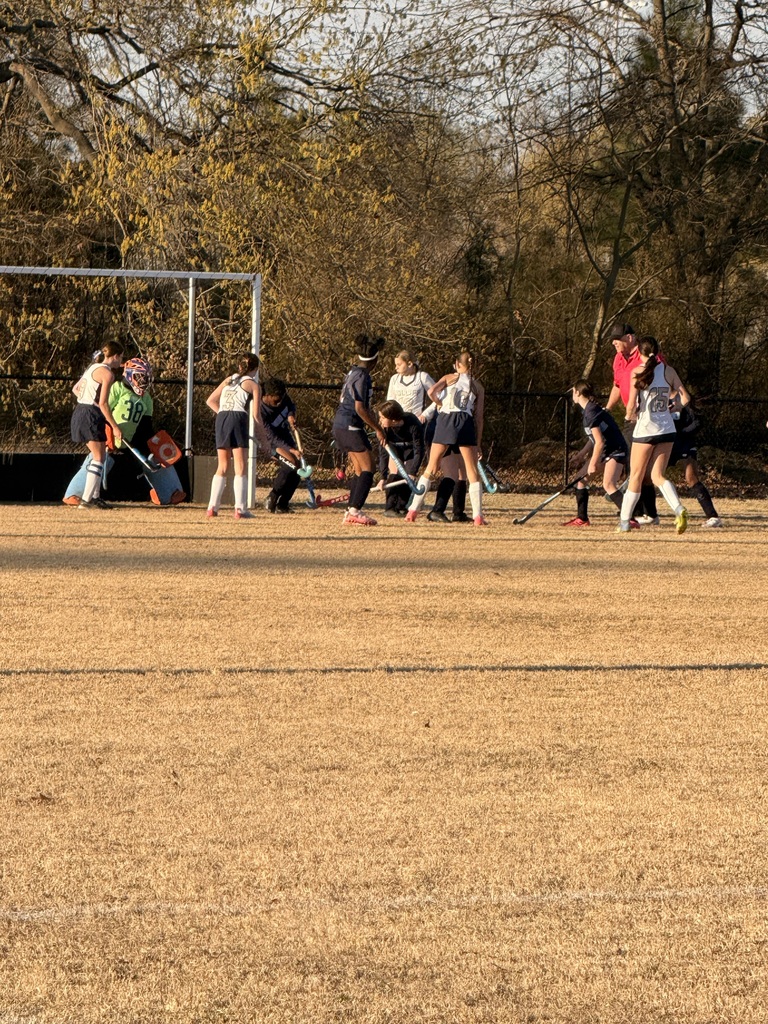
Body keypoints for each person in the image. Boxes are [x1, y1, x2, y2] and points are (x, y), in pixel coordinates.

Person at [617, 336, 691, 534]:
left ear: (639, 352)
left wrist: (629, 416)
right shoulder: (668, 371)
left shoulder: (637, 372)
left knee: (636, 476)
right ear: (657, 352)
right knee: (657, 476)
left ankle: (624, 522)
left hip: (645, 430)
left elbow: (631, 405)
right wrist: (674, 407)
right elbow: (685, 398)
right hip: (667, 430)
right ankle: (678, 508)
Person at [405, 350, 487, 526]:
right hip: (465, 422)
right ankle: (478, 517)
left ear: (457, 364)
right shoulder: (477, 386)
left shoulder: (449, 377)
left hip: (445, 421)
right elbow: (479, 418)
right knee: (472, 471)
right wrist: (478, 443)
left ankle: (412, 510)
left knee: (431, 468)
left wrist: (441, 404)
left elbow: (432, 392)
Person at [606, 322, 659, 524]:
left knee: (640, 467)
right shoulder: (618, 359)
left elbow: (662, 379)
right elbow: (617, 386)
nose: (614, 343)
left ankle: (641, 512)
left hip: (647, 417)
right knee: (634, 465)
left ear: (630, 338)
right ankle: (645, 512)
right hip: (631, 418)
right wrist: (607, 410)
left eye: (617, 339)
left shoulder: (647, 355)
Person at [205, 353, 269, 519]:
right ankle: (240, 509)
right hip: (237, 417)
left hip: (222, 418)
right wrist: (264, 440)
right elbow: (256, 416)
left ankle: (212, 507)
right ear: (255, 369)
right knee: (240, 466)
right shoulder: (254, 385)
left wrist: (223, 414)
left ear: (239, 367)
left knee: (223, 466)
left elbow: (210, 400)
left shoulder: (228, 380)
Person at [331, 334, 387, 526]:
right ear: (376, 359)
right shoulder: (363, 377)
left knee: (358, 469)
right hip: (350, 424)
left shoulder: (352, 372)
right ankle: (354, 510)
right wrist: (378, 429)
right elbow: (359, 408)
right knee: (368, 468)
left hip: (341, 424)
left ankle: (350, 510)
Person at [69, 341, 124, 509]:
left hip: (82, 410)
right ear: (115, 356)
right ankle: (86, 500)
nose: (121, 361)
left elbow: (75, 389)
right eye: (121, 357)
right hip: (90, 415)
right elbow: (103, 403)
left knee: (99, 457)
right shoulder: (108, 374)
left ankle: (94, 497)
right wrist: (115, 427)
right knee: (99, 457)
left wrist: (87, 399)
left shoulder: (92, 367)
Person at [565, 380, 628, 526]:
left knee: (608, 484)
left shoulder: (591, 411)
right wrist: (581, 454)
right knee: (581, 479)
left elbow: (599, 442)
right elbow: (594, 438)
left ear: (577, 392)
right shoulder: (588, 410)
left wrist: (593, 463)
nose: (572, 395)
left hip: (616, 450)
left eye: (573, 391)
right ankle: (582, 519)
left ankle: (630, 518)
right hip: (606, 451)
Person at [668, 399, 723, 528]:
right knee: (650, 476)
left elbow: (697, 422)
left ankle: (713, 516)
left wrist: (682, 433)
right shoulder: (658, 394)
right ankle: (645, 514)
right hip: (667, 443)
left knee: (691, 478)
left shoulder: (683, 398)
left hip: (685, 444)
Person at [377, 400, 425, 517]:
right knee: (395, 474)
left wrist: (413, 472)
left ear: (393, 420)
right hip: (394, 449)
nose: (380, 421)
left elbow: (419, 449)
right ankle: (390, 507)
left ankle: (401, 506)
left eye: (383, 418)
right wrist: (382, 477)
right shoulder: (384, 428)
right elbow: (383, 453)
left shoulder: (412, 423)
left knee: (408, 476)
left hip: (411, 450)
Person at [261, 377, 302, 514]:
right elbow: (271, 437)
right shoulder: (260, 411)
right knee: (290, 462)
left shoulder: (283, 397)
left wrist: (291, 415)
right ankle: (272, 497)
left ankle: (283, 504)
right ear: (267, 396)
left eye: (281, 399)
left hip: (284, 436)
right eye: (275, 400)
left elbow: (291, 406)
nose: (279, 403)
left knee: (298, 466)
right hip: (270, 442)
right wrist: (290, 449)